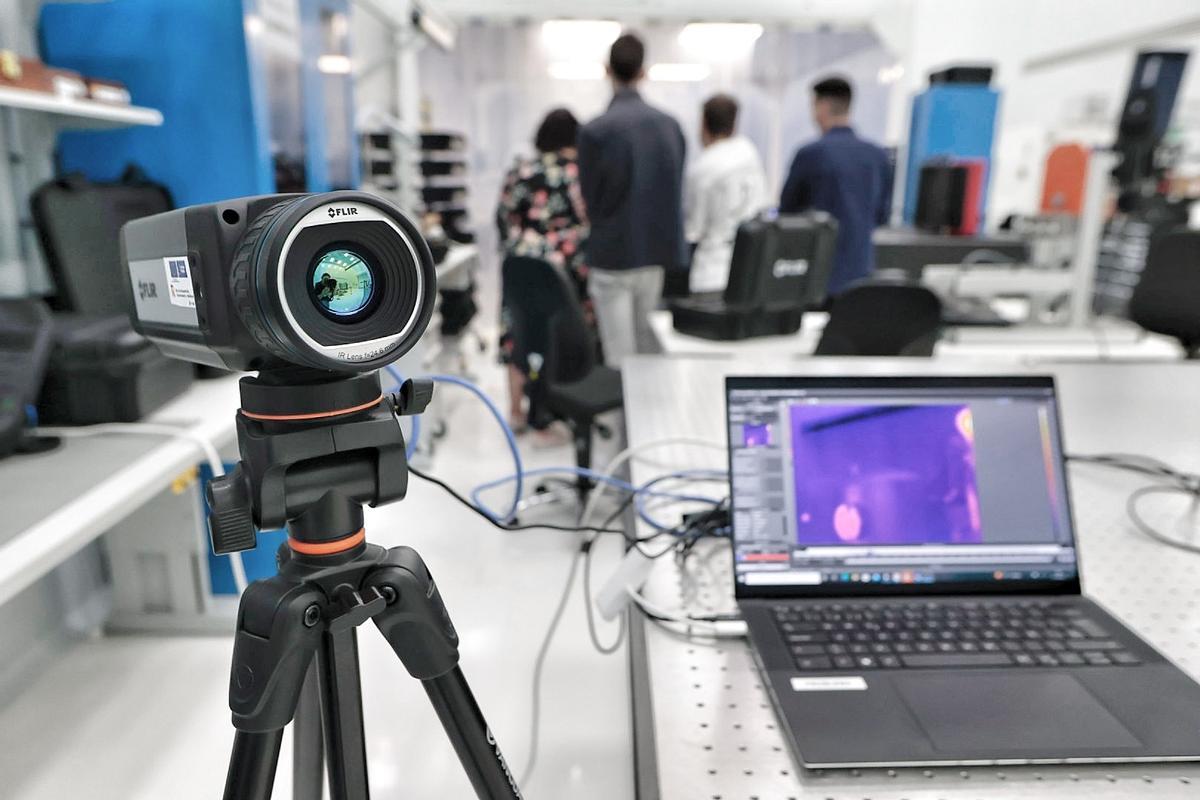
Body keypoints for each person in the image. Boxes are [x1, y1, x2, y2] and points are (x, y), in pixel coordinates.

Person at [577, 32, 686, 366]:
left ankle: (618, 420)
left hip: (612, 254)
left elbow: (589, 199)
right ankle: (650, 419)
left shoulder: (595, 131)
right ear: (644, 71)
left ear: (607, 70)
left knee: (619, 357)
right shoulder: (670, 127)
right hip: (654, 254)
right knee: (649, 354)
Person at [495, 108, 590, 432]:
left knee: (518, 334)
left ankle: (515, 412)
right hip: (562, 270)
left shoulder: (519, 171)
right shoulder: (579, 173)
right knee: (555, 338)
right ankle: (550, 413)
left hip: (519, 266)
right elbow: (587, 221)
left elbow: (503, 219)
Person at [780, 76, 892, 297]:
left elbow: (787, 214)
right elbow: (882, 216)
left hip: (815, 277)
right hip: (861, 275)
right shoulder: (878, 156)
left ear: (821, 106)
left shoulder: (811, 154)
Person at [684, 94, 768, 293]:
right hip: (752, 269)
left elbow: (694, 228)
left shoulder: (702, 168)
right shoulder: (749, 152)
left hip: (712, 272)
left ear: (703, 124)